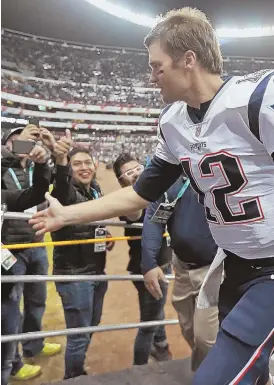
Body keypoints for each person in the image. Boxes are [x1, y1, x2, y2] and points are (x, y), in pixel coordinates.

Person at [30, 7, 274, 385]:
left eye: (157, 66)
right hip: (235, 266)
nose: (151, 76)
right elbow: (140, 195)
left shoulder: (257, 98)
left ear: (188, 60)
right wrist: (68, 215)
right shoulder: (174, 122)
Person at [50, 131, 114, 379]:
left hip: (96, 270)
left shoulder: (95, 190)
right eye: (77, 164)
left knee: (90, 326)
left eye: (88, 162)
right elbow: (63, 185)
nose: (84, 167)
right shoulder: (63, 193)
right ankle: (73, 377)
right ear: (70, 168)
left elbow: (94, 221)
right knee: (78, 334)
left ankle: (77, 371)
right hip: (74, 275)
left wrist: (104, 234)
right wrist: (62, 160)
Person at [2, 125, 61, 381]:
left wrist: (50, 151)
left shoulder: (32, 168)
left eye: (28, 140)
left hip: (37, 241)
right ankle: (11, 363)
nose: (26, 144)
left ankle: (33, 345)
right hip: (10, 248)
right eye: (17, 140)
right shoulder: (4, 168)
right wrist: (18, 148)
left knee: (37, 300)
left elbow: (46, 189)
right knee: (10, 307)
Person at [141, 175, 218, 371]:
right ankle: (206, 370)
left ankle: (218, 375)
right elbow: (154, 218)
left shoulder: (217, 176)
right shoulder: (172, 183)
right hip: (183, 269)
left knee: (206, 337)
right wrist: (149, 263)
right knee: (188, 328)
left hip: (215, 268)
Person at [113, 153, 172, 365]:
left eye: (138, 168)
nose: (136, 173)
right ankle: (140, 366)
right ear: (121, 181)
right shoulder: (129, 200)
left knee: (156, 309)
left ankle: (162, 344)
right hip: (148, 269)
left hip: (162, 263)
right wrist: (139, 188)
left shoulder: (156, 192)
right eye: (129, 172)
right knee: (149, 322)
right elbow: (135, 214)